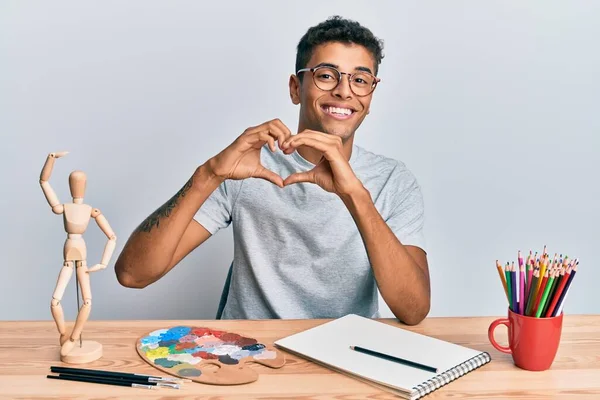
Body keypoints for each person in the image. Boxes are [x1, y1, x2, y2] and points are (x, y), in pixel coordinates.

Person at [115, 16, 430, 325]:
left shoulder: (392, 180)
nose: (344, 91)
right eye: (326, 75)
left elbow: (413, 310)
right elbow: (133, 274)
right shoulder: (249, 166)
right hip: (250, 354)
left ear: (370, 97)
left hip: (345, 353)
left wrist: (355, 196)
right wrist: (209, 175)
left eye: (360, 80)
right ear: (295, 88)